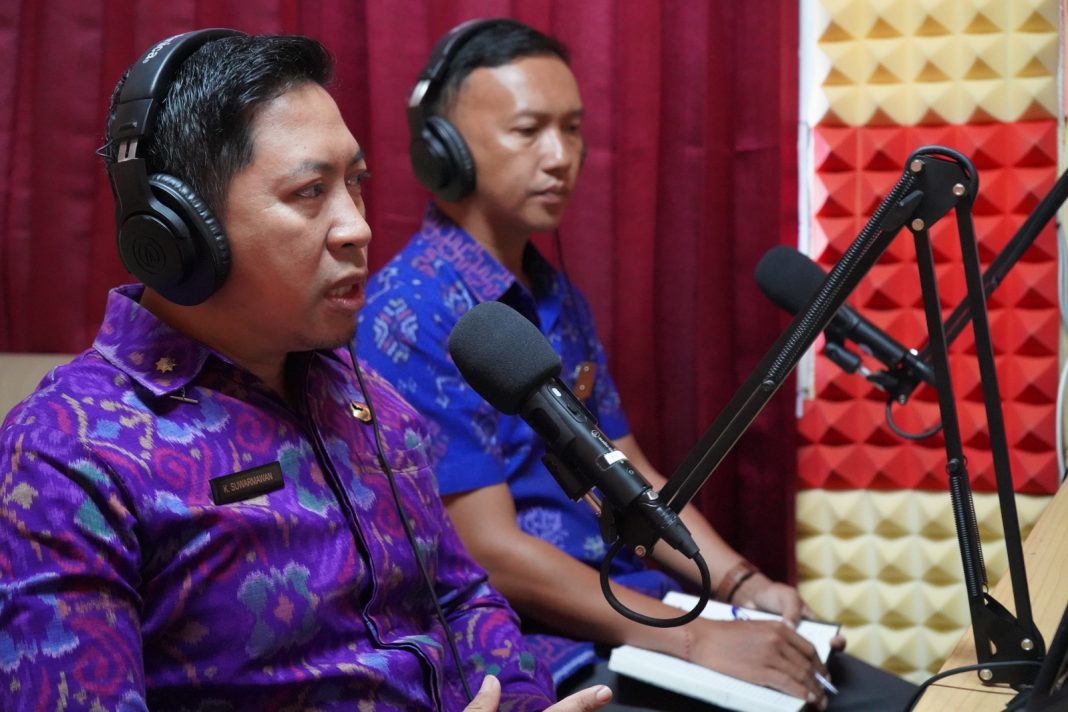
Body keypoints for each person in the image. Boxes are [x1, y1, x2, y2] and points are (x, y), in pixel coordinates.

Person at [0, 29, 613, 712]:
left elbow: (463, 599)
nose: (358, 228)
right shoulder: (67, 456)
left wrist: (524, 702)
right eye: (311, 191)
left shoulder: (367, 398)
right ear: (178, 229)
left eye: (355, 183)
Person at [357, 18, 917, 711]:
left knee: (893, 699)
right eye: (529, 130)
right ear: (443, 149)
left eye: (572, 129)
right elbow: (489, 551)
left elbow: (628, 471)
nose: (561, 156)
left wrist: (741, 585)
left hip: (633, 610)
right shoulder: (409, 311)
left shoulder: (556, 295)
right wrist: (695, 639)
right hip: (540, 651)